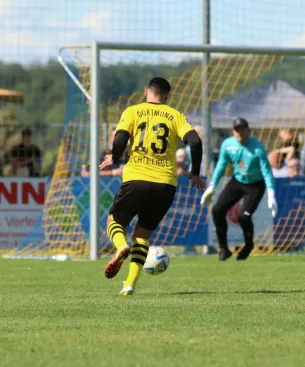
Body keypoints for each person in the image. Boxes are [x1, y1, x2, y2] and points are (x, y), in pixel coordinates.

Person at [99, 77, 204, 295]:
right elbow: (195, 142)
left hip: (137, 177)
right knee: (142, 235)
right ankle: (129, 284)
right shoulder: (175, 115)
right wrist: (195, 173)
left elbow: (120, 139)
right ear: (166, 95)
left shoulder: (132, 111)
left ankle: (120, 247)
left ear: (146, 91)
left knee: (114, 221)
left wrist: (114, 157)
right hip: (165, 184)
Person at [200, 117, 277, 261]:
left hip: (255, 184)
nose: (239, 133)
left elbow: (267, 172)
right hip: (238, 181)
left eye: (242, 129)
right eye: (237, 130)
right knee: (217, 210)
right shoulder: (228, 145)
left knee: (244, 216)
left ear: (249, 130)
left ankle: (248, 246)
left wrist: (271, 193)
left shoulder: (258, 148)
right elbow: (221, 167)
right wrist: (211, 186)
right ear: (233, 131)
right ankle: (224, 249)